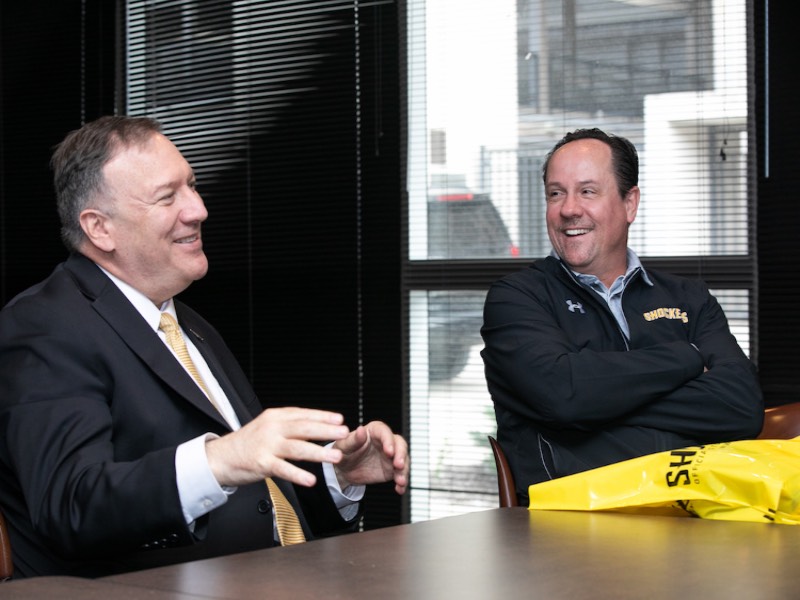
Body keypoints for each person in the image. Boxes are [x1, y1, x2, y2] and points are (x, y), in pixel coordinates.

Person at [0, 115, 409, 579]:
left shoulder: (187, 323)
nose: (197, 210)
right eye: (167, 196)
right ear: (100, 229)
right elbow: (70, 507)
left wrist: (338, 475)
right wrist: (219, 459)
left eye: (192, 187)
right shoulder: (44, 324)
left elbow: (259, 501)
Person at [480, 128, 763, 506]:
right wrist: (690, 357)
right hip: (563, 531)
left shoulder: (689, 299)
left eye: (588, 191)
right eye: (556, 193)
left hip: (691, 522)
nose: (568, 209)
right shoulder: (517, 298)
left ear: (630, 203)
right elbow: (566, 394)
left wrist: (599, 402)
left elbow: (740, 407)